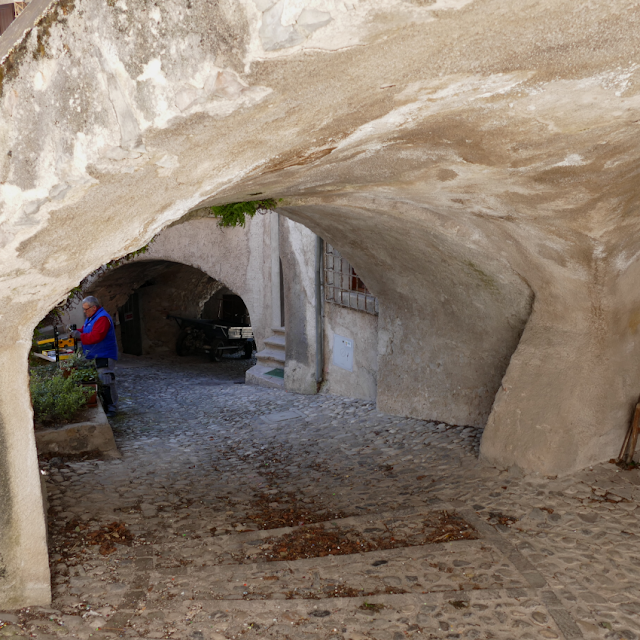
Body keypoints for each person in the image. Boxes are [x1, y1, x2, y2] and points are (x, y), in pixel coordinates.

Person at [70, 296, 119, 417]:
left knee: (106, 381)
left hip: (104, 355)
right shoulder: (92, 317)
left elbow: (96, 336)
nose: (84, 311)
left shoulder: (102, 318)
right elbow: (88, 330)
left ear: (94, 307)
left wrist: (79, 336)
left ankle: (112, 408)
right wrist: (79, 332)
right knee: (100, 381)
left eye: (86, 309)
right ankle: (106, 406)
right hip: (96, 354)